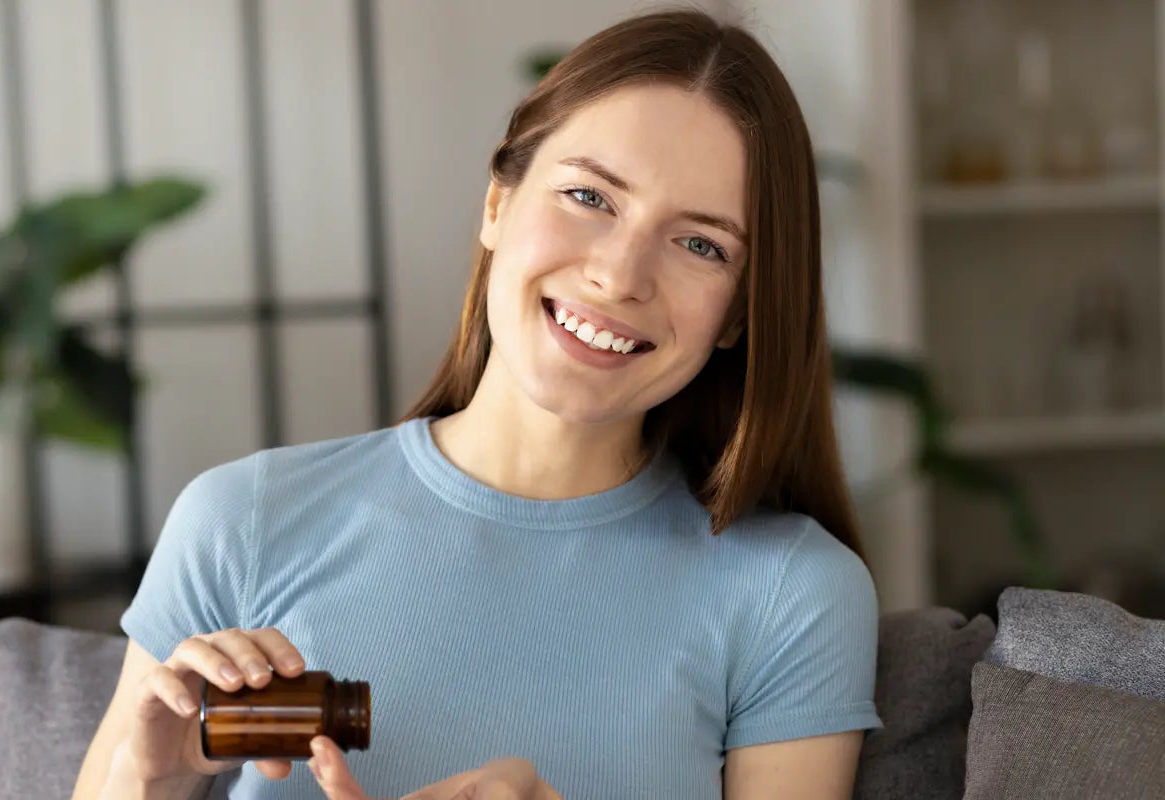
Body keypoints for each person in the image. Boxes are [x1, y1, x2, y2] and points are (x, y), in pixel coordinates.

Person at [73, 8, 882, 799]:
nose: (621, 275)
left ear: (742, 311)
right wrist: (154, 780)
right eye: (590, 198)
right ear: (498, 203)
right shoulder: (239, 521)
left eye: (700, 244)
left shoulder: (791, 593)